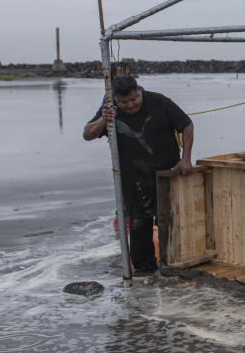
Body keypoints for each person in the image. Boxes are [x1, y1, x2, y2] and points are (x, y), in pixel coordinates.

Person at [83, 74, 194, 273]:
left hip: (166, 175)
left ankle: (177, 266)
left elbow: (186, 125)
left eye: (134, 99)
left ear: (139, 91)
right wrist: (104, 119)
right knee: (138, 225)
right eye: (124, 102)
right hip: (134, 180)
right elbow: (87, 134)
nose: (131, 105)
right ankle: (145, 270)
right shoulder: (110, 110)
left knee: (172, 221)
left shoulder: (159, 102)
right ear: (115, 98)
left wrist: (185, 159)